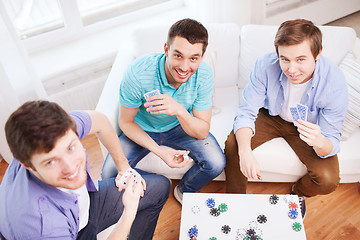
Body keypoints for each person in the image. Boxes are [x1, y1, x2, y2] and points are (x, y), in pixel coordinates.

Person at [224, 19, 348, 218]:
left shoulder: (334, 82)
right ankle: (235, 201)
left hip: (308, 126)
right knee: (234, 146)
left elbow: (332, 139)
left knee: (327, 180)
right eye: (285, 59)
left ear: (317, 54)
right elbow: (246, 111)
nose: (291, 69)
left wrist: (320, 142)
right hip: (271, 115)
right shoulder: (265, 65)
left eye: (300, 59)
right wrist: (245, 152)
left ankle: (297, 194)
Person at [0, 100, 170, 239]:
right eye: (51, 162)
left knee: (160, 187)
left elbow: (100, 121)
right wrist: (129, 212)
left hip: (84, 208)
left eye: (71, 148)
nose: (70, 167)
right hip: (72, 231)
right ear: (27, 165)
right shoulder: (46, 227)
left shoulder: (54, 131)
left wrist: (123, 167)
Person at [101, 18, 226, 204]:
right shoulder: (138, 73)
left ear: (201, 56)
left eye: (193, 58)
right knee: (109, 173)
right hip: (141, 127)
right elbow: (125, 122)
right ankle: (154, 187)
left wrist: (180, 111)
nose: (184, 67)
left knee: (216, 163)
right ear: (166, 50)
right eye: (178, 55)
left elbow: (201, 131)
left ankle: (184, 190)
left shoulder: (204, 74)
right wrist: (160, 151)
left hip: (179, 126)